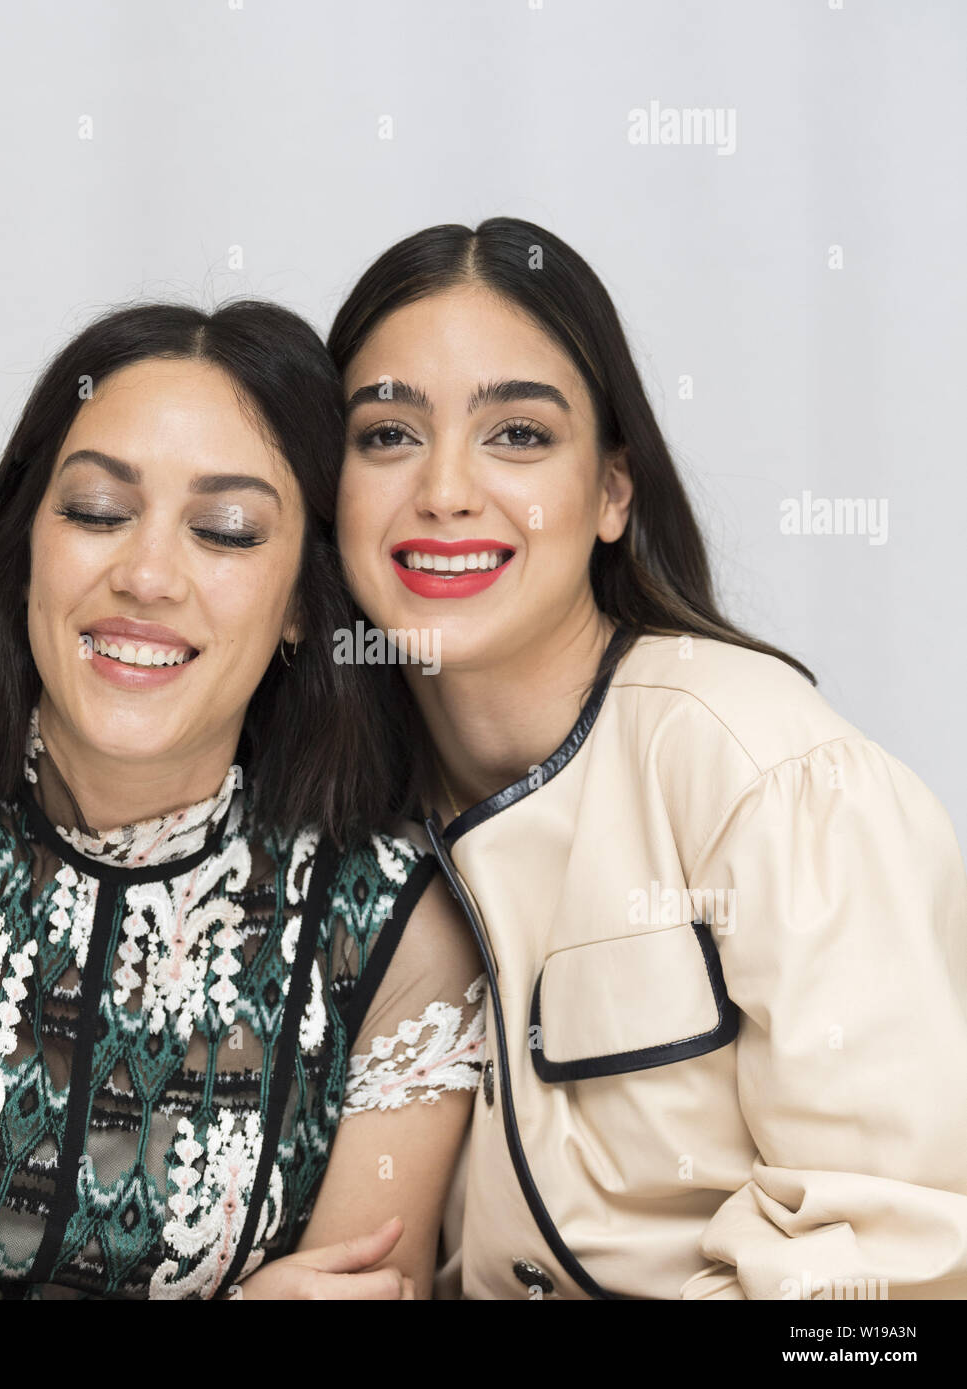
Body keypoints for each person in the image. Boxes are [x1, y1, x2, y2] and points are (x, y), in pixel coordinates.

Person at [328, 217, 967, 1300]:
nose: (444, 490)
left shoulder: (765, 768)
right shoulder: (328, 820)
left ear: (615, 492)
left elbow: (907, 1281)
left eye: (518, 434)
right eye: (388, 434)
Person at [0, 299, 485, 1301]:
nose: (148, 575)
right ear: (25, 538)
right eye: (94, 511)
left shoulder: (393, 935)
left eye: (226, 529)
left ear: (303, 600)